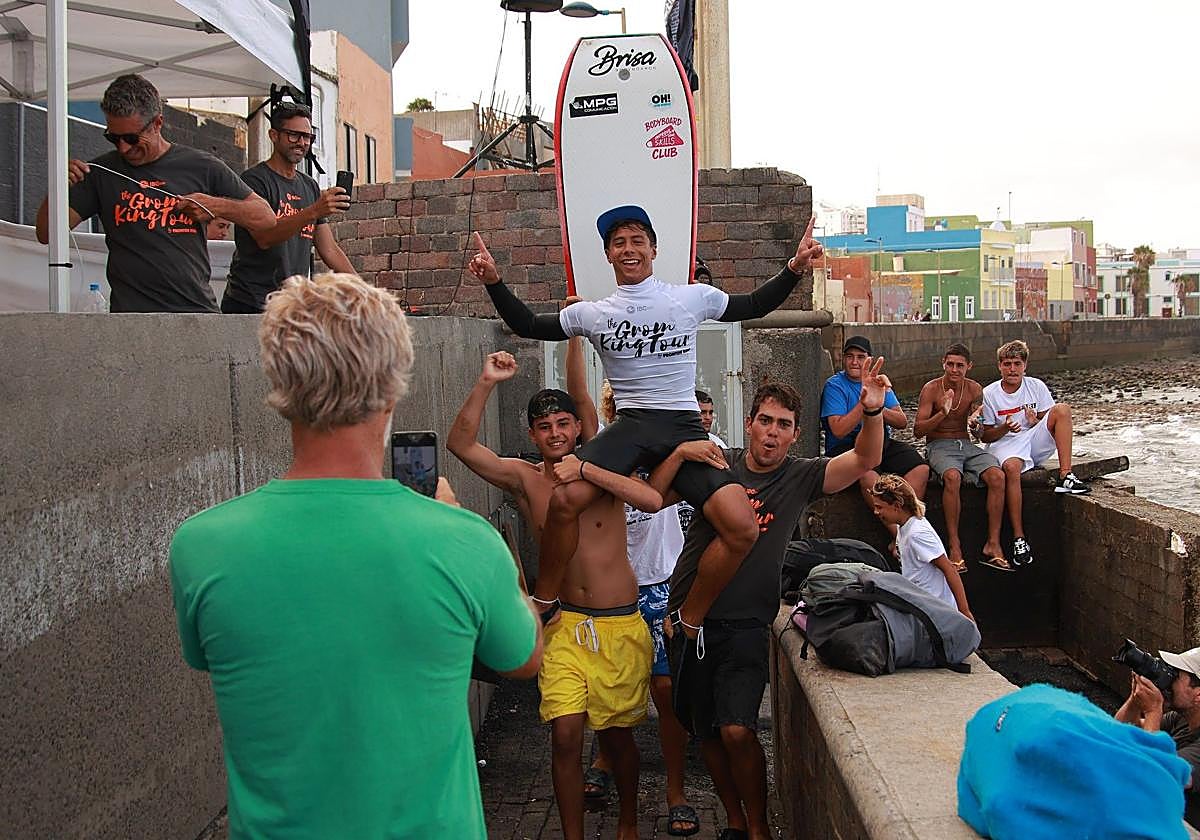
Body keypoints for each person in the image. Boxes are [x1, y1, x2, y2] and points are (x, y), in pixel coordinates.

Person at [169, 273, 541, 838]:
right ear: (394, 388)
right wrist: (470, 530)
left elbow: (211, 659)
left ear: (278, 381)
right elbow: (523, 657)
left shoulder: (200, 545)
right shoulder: (463, 540)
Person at [467, 206, 824, 634]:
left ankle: (689, 616)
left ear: (653, 250)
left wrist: (794, 268)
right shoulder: (594, 314)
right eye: (619, 243)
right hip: (632, 425)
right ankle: (545, 599)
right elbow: (526, 323)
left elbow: (756, 303)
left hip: (683, 427)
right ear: (608, 256)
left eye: (638, 240)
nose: (629, 249)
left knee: (742, 526)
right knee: (563, 500)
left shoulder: (690, 298)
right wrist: (494, 282)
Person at [658, 366, 891, 840]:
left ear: (794, 434)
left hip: (745, 623)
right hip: (688, 621)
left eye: (783, 425)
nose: (772, 432)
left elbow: (866, 458)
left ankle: (760, 825)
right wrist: (679, 450)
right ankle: (736, 821)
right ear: (749, 424)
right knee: (704, 732)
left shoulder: (801, 476)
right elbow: (652, 497)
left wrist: (871, 409)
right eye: (765, 421)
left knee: (737, 729)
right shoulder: (717, 465)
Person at [447, 344, 662, 840]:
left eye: (564, 424)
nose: (556, 434)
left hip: (618, 623)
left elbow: (585, 397)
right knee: (565, 734)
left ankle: (628, 823)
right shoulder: (525, 480)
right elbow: (462, 444)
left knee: (617, 737)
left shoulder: (600, 470)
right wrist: (486, 381)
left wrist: (574, 335)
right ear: (532, 435)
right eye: (545, 428)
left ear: (578, 428)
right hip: (564, 623)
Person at [571, 382, 698, 835]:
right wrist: (572, 331)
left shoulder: (667, 451)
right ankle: (605, 758)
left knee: (665, 691)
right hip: (615, 594)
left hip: (662, 584)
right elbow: (579, 400)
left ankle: (675, 791)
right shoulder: (603, 454)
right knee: (607, 692)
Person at [35, 74, 275, 312]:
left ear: (157, 123)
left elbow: (265, 218)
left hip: (194, 312)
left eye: (131, 138)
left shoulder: (201, 165)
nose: (124, 147)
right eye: (113, 138)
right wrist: (58, 187)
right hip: (131, 319)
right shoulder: (100, 173)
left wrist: (215, 206)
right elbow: (47, 234)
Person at [221, 102, 355, 314]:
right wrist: (314, 211)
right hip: (251, 303)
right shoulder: (254, 181)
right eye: (293, 135)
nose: (301, 143)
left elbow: (328, 249)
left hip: (292, 306)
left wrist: (365, 291)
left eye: (307, 137)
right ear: (274, 135)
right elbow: (265, 237)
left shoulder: (308, 185)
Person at [979, 339, 1091, 566]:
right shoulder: (990, 393)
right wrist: (1005, 427)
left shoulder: (1036, 386)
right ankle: (1019, 538)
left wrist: (1036, 419)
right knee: (1011, 468)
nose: (1012, 369)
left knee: (1062, 410)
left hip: (1031, 438)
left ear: (1025, 366)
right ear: (1000, 366)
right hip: (1005, 442)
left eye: (1017, 364)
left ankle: (1065, 475)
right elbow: (985, 436)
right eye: (1007, 364)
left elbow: (1050, 419)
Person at [913, 343, 1009, 572]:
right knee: (953, 477)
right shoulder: (931, 389)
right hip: (938, 445)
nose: (954, 370)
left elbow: (980, 431)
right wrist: (942, 413)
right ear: (943, 363)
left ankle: (993, 545)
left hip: (966, 444)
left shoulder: (975, 389)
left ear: (969, 366)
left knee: (997, 475)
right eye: (950, 364)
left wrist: (976, 425)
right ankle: (954, 546)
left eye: (960, 365)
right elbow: (918, 430)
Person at [821, 335, 929, 535]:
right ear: (842, 359)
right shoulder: (834, 386)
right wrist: (864, 404)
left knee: (920, 468)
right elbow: (838, 429)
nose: (855, 362)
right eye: (850, 356)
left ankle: (907, 526)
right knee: (867, 473)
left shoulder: (878, 382)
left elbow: (901, 421)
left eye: (860, 357)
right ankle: (897, 535)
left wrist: (877, 407)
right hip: (846, 445)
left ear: (869, 359)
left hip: (879, 441)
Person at [1114, 647, 1200, 827]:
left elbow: (1154, 778)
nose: (1169, 678)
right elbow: (1121, 732)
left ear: (1197, 694)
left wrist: (1153, 710)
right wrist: (1135, 700)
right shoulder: (1183, 718)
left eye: (1176, 675)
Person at [867, 474, 974, 619]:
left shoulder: (917, 534)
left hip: (936, 612)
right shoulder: (903, 526)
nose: (876, 512)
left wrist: (964, 612)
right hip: (920, 606)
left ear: (897, 506)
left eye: (880, 507)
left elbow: (949, 569)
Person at [679, 389, 729, 534]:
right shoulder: (675, 444)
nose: (707, 418)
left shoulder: (718, 445)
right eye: (702, 413)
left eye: (710, 413)